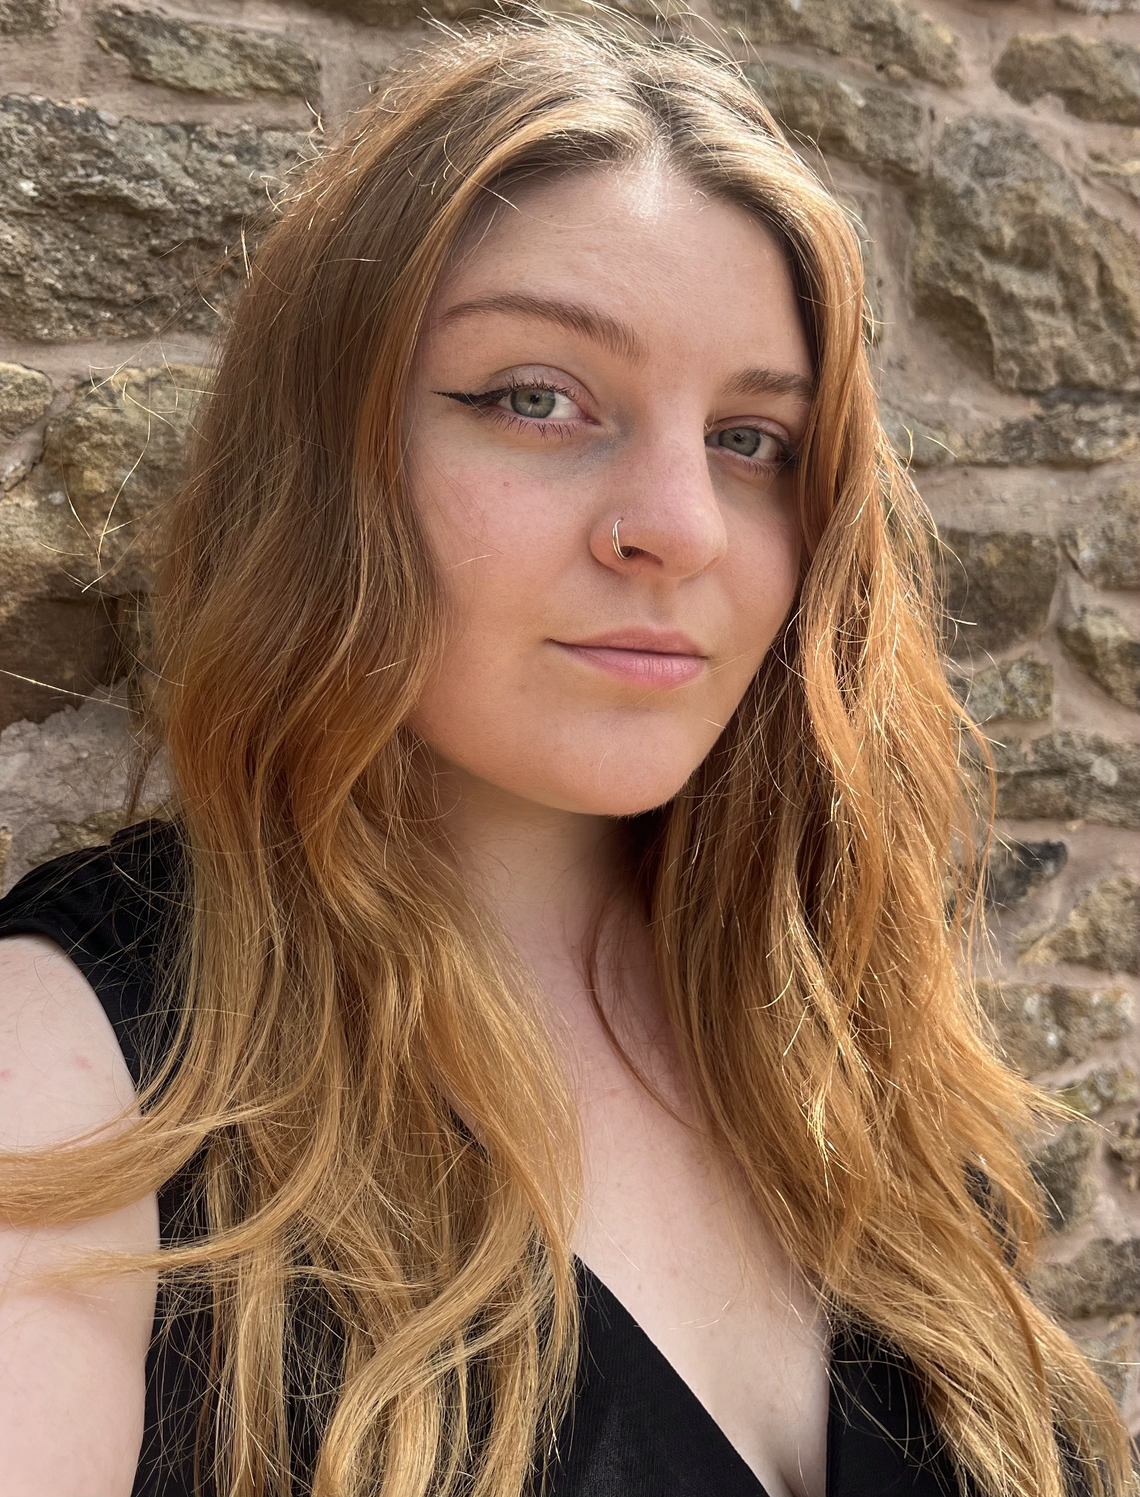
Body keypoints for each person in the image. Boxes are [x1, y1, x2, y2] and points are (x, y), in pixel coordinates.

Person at [0, 17, 1130, 1497]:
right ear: (326, 458)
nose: (682, 526)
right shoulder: (81, 1078)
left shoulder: (844, 1045)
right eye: (537, 399)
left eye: (753, 440)